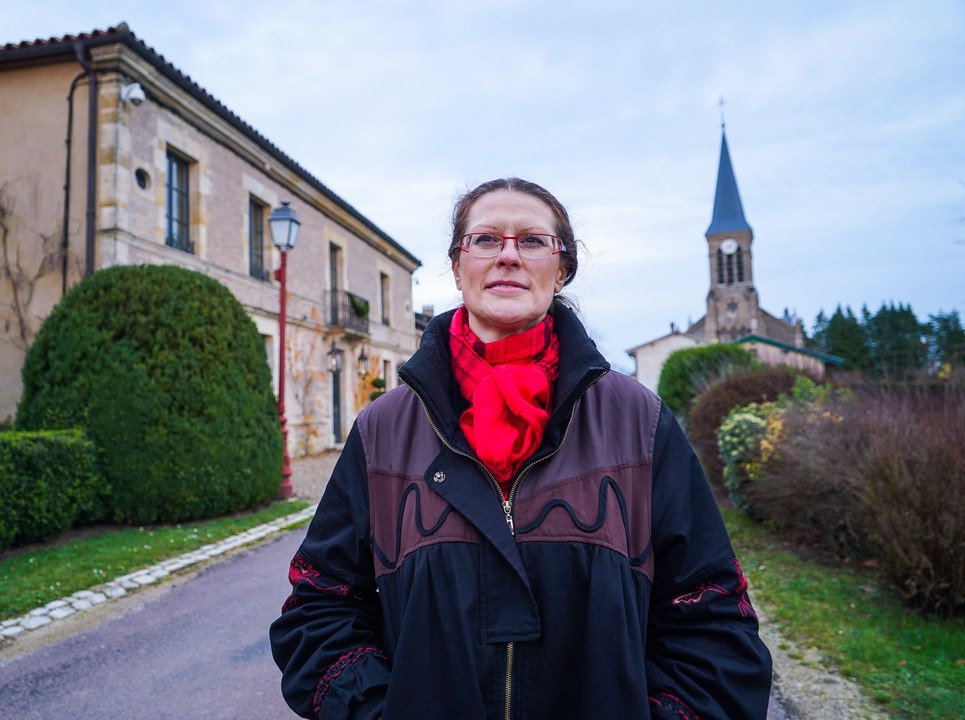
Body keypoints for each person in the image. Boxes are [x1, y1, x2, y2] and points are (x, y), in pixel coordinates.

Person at [270, 177, 773, 719]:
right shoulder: (382, 432)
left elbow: (714, 620)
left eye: (532, 241)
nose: (508, 255)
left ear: (561, 270)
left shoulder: (640, 424)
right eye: (485, 239)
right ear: (459, 267)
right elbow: (317, 609)